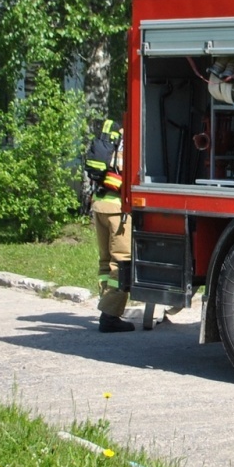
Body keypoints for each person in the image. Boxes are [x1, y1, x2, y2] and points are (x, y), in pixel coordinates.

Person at [84, 116, 134, 333]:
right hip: (117, 209)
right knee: (121, 263)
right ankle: (110, 316)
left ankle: (105, 307)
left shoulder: (110, 139)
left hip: (100, 204)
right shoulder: (129, 140)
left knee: (105, 262)